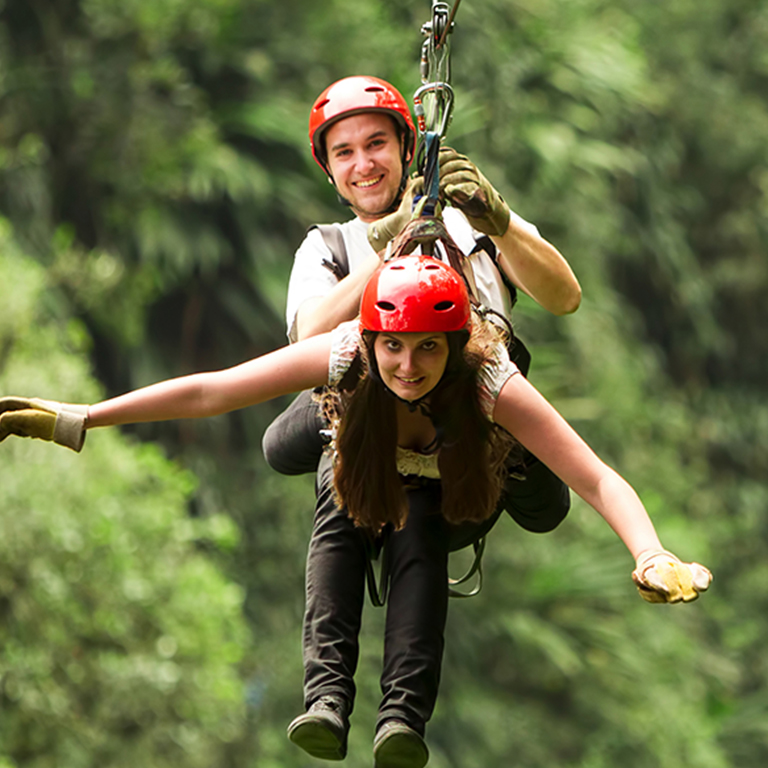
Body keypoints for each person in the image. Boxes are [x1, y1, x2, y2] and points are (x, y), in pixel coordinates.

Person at [0, 254, 712, 768]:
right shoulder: (346, 352)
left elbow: (595, 477)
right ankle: (326, 703)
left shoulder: (489, 378)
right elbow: (214, 391)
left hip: (459, 491)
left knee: (419, 546)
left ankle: (402, 720)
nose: (407, 366)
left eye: (427, 349)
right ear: (371, 340)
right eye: (393, 346)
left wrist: (649, 552)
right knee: (336, 526)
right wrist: (82, 417)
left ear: (455, 345)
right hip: (368, 476)